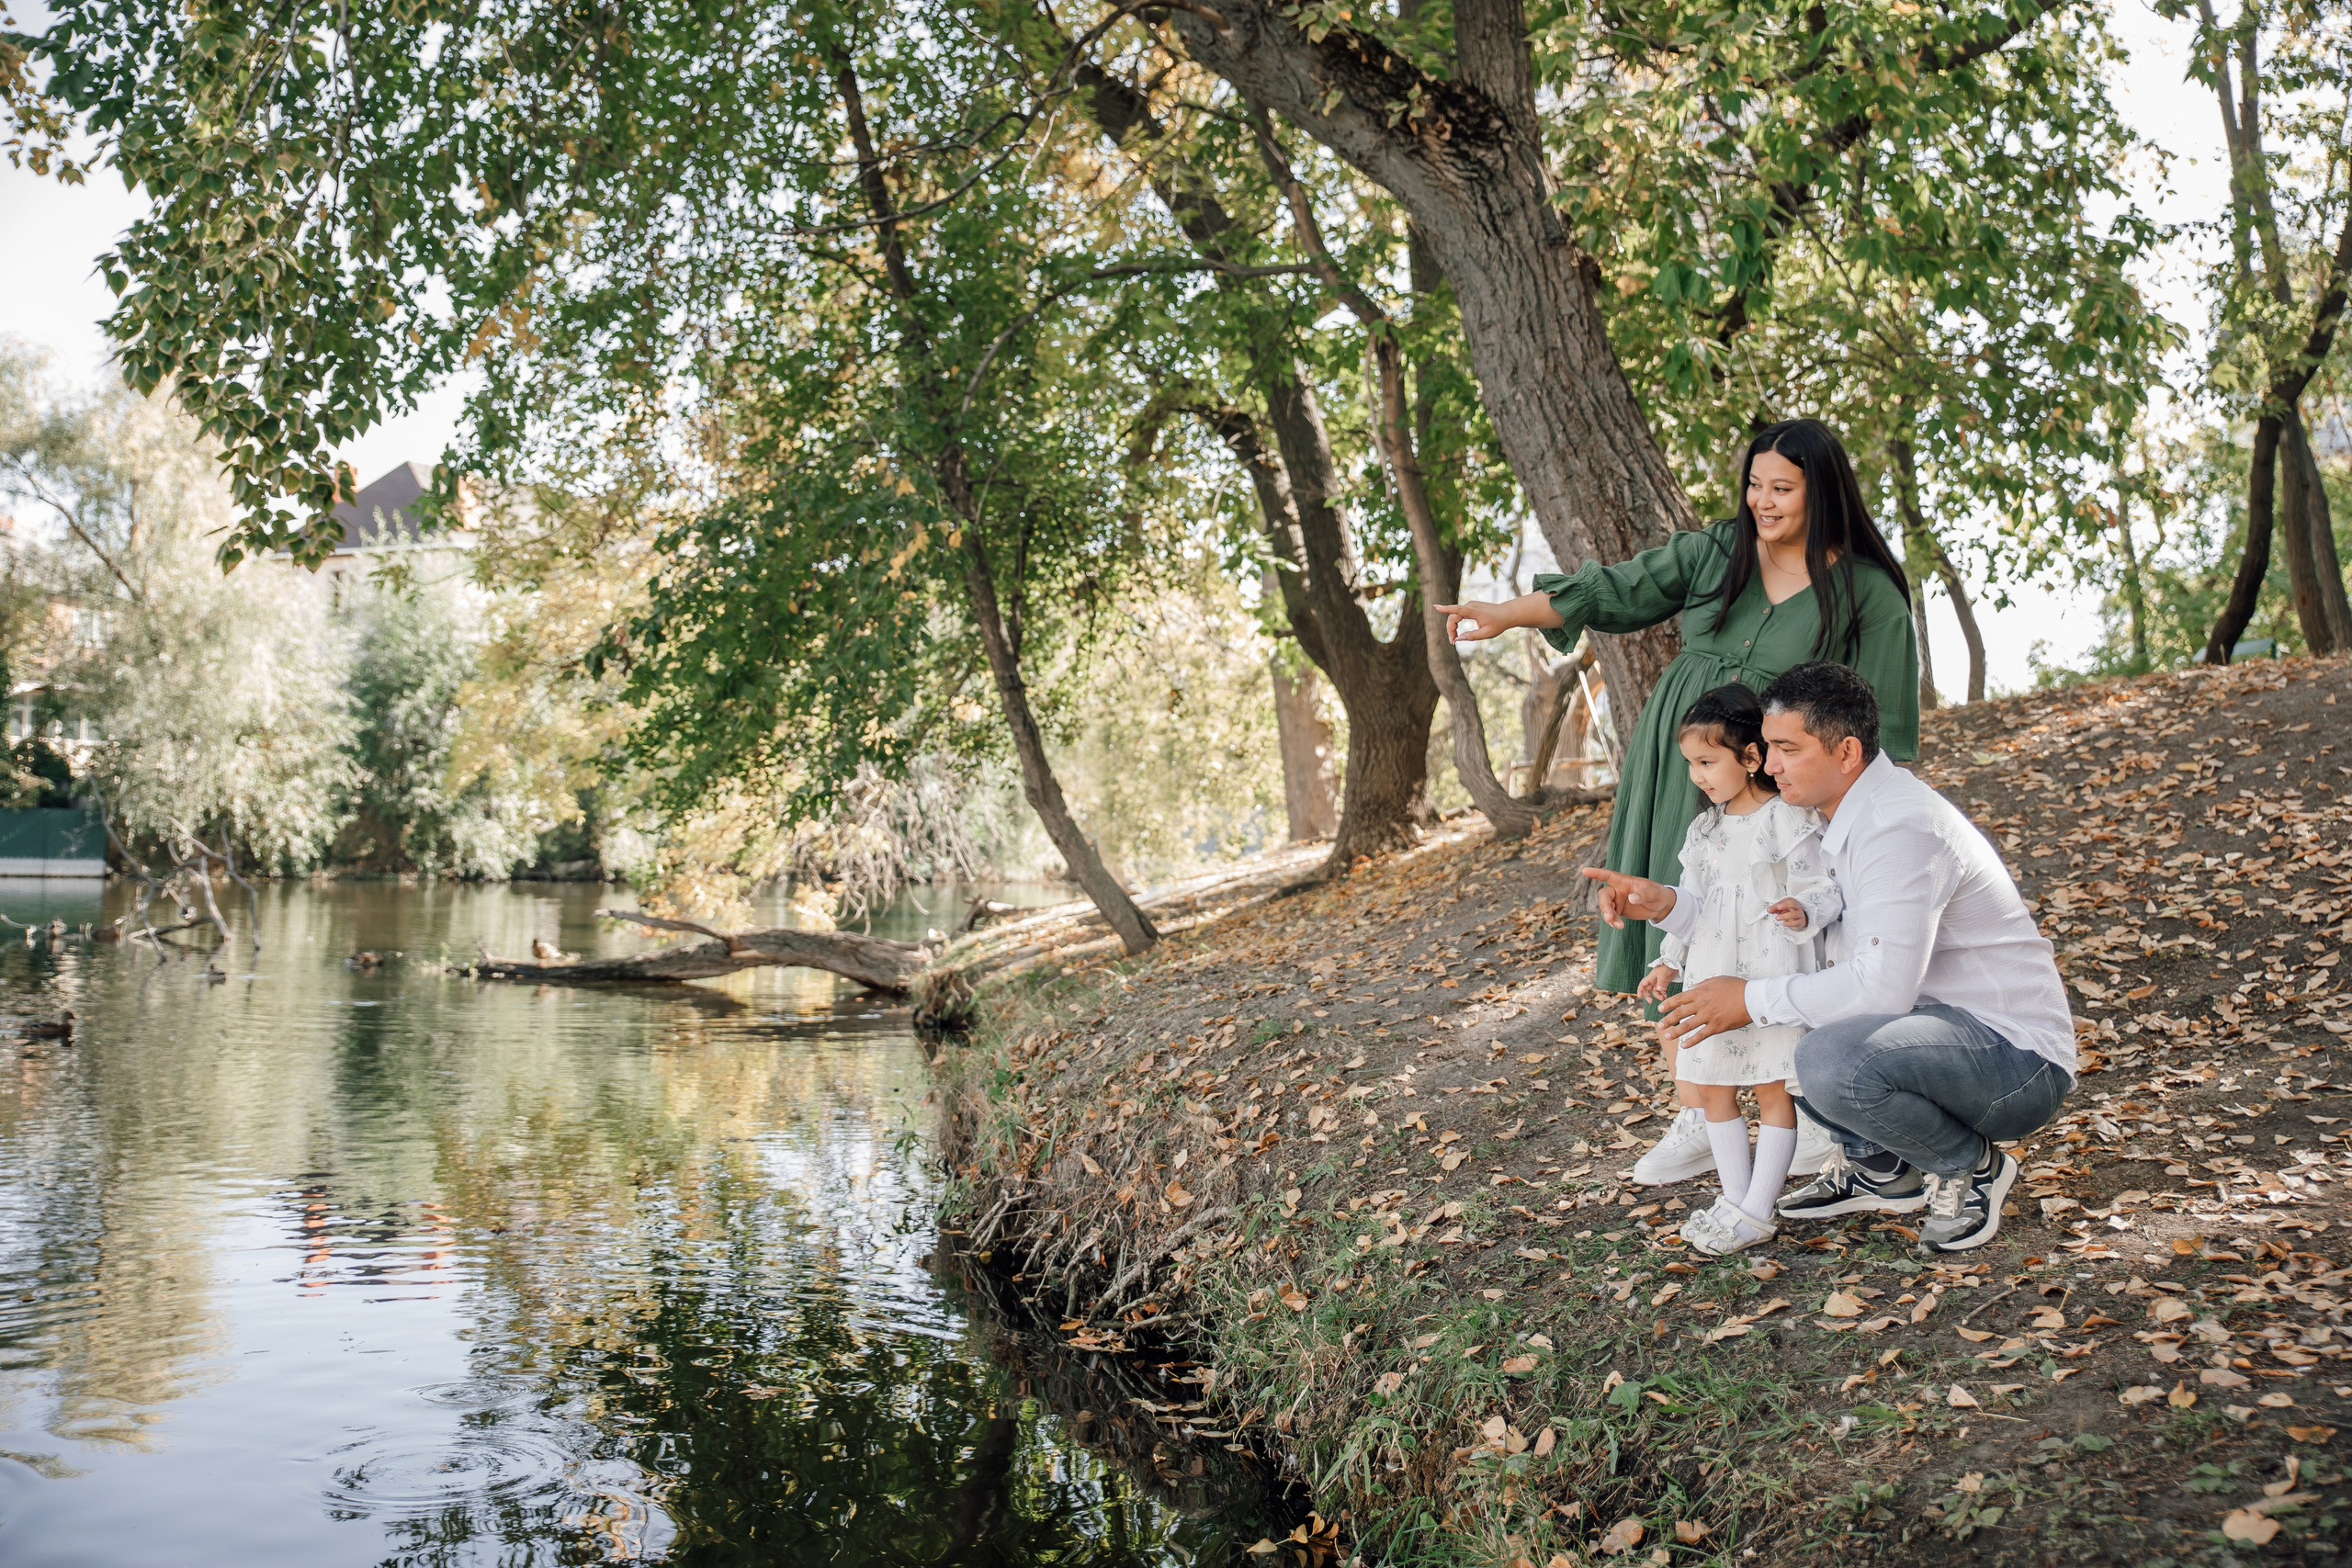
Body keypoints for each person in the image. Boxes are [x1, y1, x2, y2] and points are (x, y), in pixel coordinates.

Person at [1442, 418, 1918, 1185]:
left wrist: (1852, 823)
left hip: (1783, 790)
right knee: (1687, 928)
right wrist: (1503, 615)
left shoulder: (1867, 594)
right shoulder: (1715, 554)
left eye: (1782, 488)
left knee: (1783, 939)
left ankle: (1825, 1120)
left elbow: (1883, 730)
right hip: (1684, 771)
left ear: (1821, 491)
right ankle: (1700, 1110)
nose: (1762, 501)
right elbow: (1612, 591)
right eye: (1755, 484)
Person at [1588, 663, 2075, 1254]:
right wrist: (1663, 904)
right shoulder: (1821, 820)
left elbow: (1880, 992)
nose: (1769, 766)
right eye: (1768, 748)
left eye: (1788, 749)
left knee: (1822, 1055)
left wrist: (1748, 1000)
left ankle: (1971, 1166)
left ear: (1846, 751)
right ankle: (1883, 1170)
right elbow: (1747, 917)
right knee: (1802, 1029)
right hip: (1932, 1036)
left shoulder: (1899, 827)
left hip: (2011, 1060)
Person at [1633, 684, 1841, 1256]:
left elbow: (1821, 887)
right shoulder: (1705, 831)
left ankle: (1758, 1207)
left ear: (1751, 758)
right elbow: (1692, 905)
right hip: (1710, 972)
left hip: (1766, 974)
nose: (1698, 776)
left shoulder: (1786, 819)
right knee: (1713, 1087)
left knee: (1771, 1086)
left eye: (1707, 761)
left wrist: (1805, 912)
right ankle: (1735, 1197)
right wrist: (1668, 961)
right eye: (1692, 765)